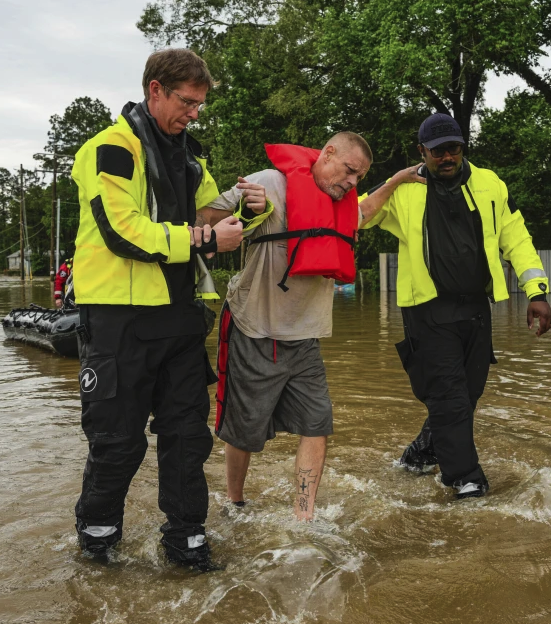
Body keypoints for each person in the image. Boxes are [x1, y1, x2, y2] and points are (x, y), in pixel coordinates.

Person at [70, 48, 249, 571]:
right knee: (117, 440)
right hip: (119, 321)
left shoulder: (192, 158)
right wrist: (205, 236)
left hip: (179, 319)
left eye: (199, 104)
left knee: (188, 436)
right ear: (155, 90)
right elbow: (122, 230)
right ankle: (98, 539)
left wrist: (244, 206)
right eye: (187, 102)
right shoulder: (110, 149)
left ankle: (186, 536)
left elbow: (214, 219)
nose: (194, 113)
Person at [358, 113, 551, 499]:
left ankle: (419, 455)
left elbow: (516, 238)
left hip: (476, 308)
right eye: (437, 151)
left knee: (468, 395)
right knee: (448, 395)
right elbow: (356, 216)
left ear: (462, 147)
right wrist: (395, 179)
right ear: (422, 151)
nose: (447, 157)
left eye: (454, 148)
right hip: (427, 311)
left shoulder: (490, 184)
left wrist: (537, 292)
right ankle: (465, 479)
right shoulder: (404, 189)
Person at [197, 132, 372, 520]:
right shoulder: (270, 182)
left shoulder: (343, 205)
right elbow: (204, 219)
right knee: (242, 430)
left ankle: (303, 517)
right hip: (252, 327)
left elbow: (369, 209)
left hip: (305, 337)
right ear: (328, 154)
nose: (353, 183)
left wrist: (399, 180)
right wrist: (246, 210)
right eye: (350, 171)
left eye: (360, 178)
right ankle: (235, 502)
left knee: (317, 424)